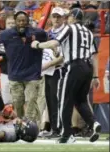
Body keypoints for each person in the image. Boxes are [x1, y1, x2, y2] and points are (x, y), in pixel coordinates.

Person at [31, 8, 101, 143]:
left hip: (73, 66)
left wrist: (38, 45)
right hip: (88, 68)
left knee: (64, 100)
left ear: (72, 17)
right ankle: (94, 124)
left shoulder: (70, 28)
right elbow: (95, 56)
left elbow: (54, 42)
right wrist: (95, 76)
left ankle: (67, 135)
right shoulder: (88, 32)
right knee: (80, 101)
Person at [0, 11, 47, 122]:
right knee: (18, 102)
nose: (21, 23)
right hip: (15, 75)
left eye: (24, 20)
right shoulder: (7, 34)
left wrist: (53, 46)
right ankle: (20, 124)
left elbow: (49, 37)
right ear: (15, 22)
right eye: (19, 21)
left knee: (31, 101)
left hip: (32, 75)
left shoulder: (37, 33)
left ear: (28, 21)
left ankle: (32, 126)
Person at [41, 7, 65, 138]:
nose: (56, 19)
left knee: (57, 100)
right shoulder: (48, 33)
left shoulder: (65, 32)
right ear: (50, 18)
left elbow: (64, 55)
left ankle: (60, 128)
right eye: (54, 16)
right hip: (48, 71)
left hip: (60, 70)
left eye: (58, 16)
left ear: (63, 18)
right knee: (50, 100)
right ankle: (54, 128)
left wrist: (48, 64)